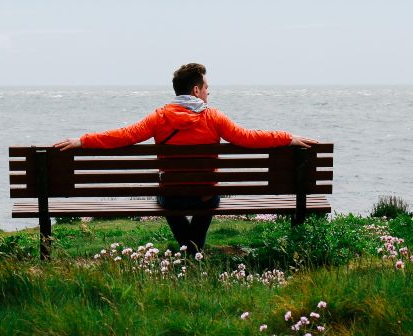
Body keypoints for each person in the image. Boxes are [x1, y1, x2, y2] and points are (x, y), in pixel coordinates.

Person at [53, 63, 317, 252]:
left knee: (165, 195)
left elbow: (124, 135)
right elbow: (247, 138)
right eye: (206, 87)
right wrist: (286, 137)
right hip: (205, 195)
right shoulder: (213, 117)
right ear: (195, 90)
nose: (208, 93)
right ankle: (193, 251)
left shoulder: (159, 117)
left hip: (173, 195)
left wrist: (82, 141)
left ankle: (188, 250)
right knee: (209, 194)